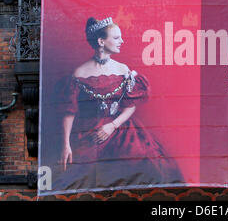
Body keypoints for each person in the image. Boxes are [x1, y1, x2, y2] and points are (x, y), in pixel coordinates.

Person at [53, 17, 183, 191]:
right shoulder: (80, 73)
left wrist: (112, 126)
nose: (122, 41)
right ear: (101, 41)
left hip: (121, 130)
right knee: (80, 177)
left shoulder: (123, 70)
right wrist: (66, 144)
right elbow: (69, 112)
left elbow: (131, 104)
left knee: (148, 165)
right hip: (89, 133)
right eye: (116, 38)